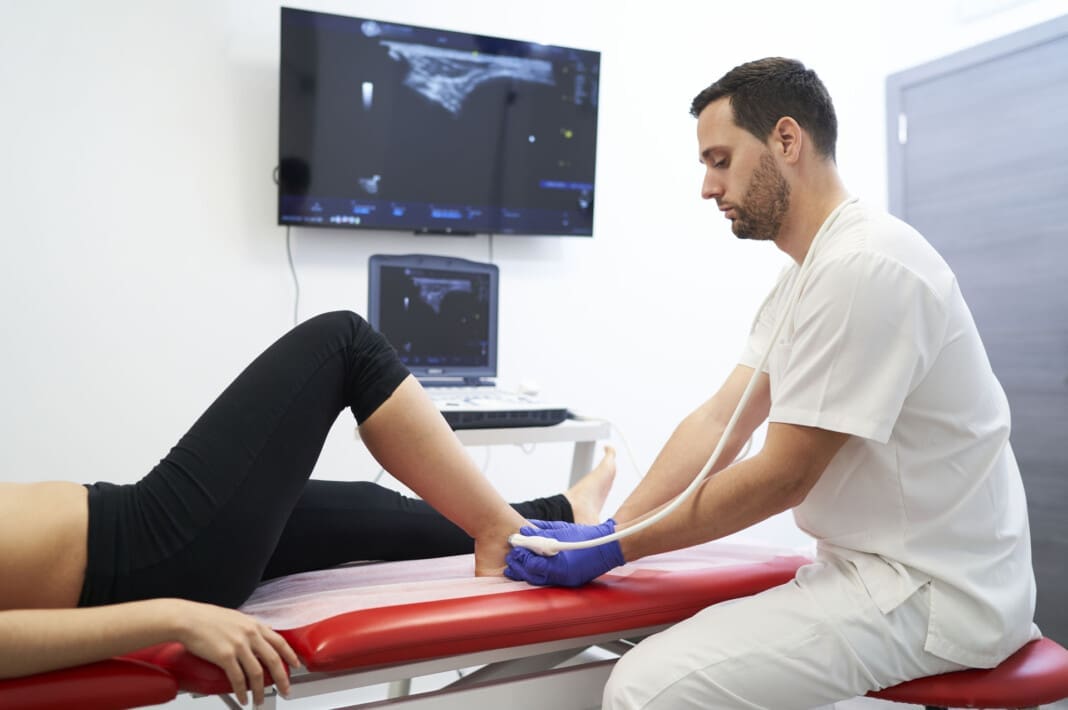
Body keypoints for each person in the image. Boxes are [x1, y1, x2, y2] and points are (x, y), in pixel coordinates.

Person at [505, 57, 1039, 709]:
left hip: (931, 593)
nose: (707, 186)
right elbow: (719, 422)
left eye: (720, 160)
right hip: (877, 571)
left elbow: (784, 474)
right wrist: (614, 529)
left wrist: (618, 547)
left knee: (644, 689)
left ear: (787, 141)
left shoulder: (865, 267)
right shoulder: (808, 273)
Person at [0, 310, 616, 707]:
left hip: (137, 543)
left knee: (349, 509)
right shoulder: (156, 582)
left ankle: (553, 512)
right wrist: (170, 616)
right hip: (147, 555)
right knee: (343, 343)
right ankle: (502, 532)